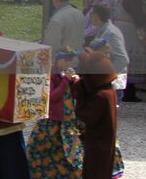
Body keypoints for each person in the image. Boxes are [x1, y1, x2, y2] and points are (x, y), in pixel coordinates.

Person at [26, 49, 81, 179]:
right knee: (42, 151)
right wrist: (66, 80)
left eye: (70, 60)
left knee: (62, 153)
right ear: (58, 60)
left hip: (64, 122)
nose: (68, 63)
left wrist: (74, 81)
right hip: (49, 122)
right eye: (66, 60)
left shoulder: (63, 74)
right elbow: (52, 97)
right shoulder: (50, 75)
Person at [74, 48, 119, 179]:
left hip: (98, 143)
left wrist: (80, 96)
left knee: (95, 172)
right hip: (104, 141)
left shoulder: (101, 96)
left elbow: (86, 116)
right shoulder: (110, 91)